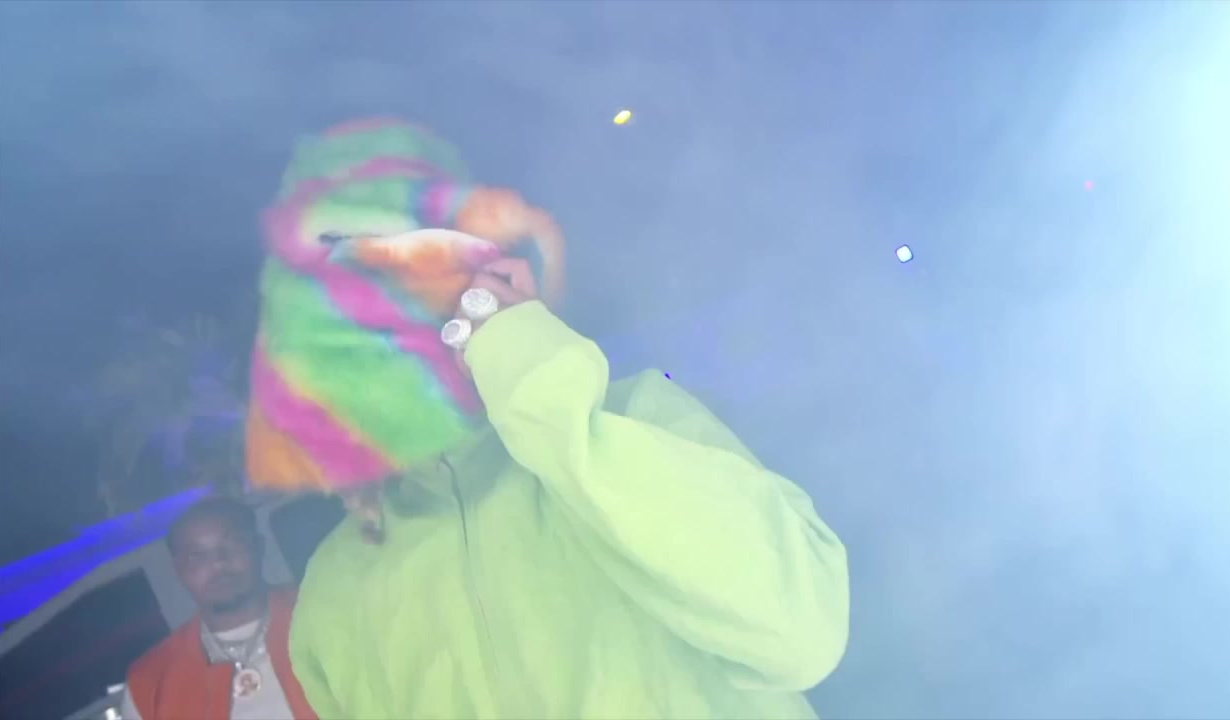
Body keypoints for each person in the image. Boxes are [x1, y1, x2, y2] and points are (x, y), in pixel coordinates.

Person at [245, 118, 850, 719]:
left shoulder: (632, 421)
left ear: (483, 278)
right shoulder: (334, 591)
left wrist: (524, 362)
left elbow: (800, 634)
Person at [120, 497, 317, 720]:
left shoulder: (322, 612)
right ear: (179, 570)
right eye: (197, 556)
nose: (219, 563)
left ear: (259, 547)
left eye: (233, 544)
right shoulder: (149, 683)